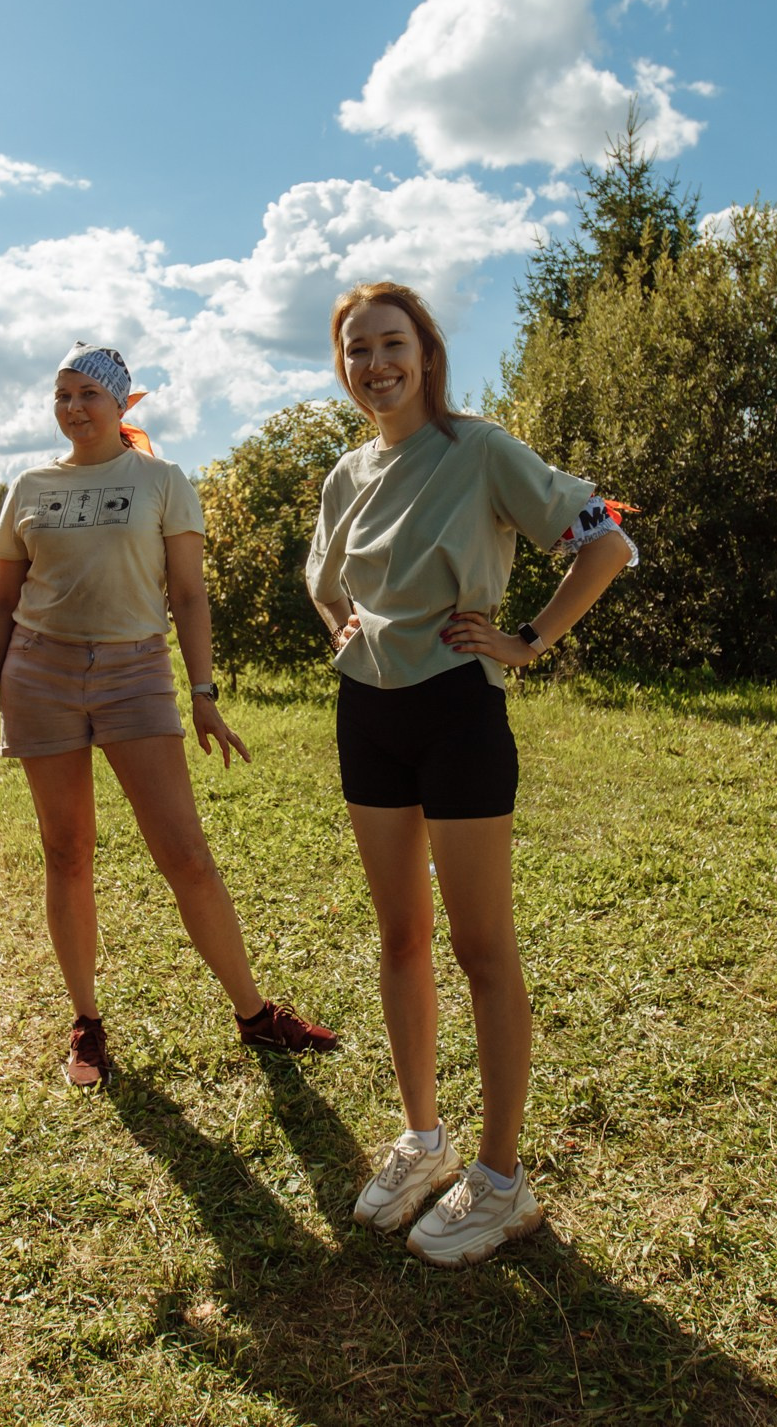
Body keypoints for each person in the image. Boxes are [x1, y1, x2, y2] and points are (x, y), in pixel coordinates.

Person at [307, 282, 637, 1270]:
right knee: (400, 935)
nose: (377, 364)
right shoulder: (346, 469)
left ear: (427, 353)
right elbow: (324, 582)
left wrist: (529, 638)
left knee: (480, 945)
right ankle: (423, 1142)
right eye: (357, 349)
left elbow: (604, 539)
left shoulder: (479, 449)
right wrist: (341, 630)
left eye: (392, 344)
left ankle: (499, 1182)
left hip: (457, 707)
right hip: (365, 713)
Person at [0, 343, 338, 1087]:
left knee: (186, 854)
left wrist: (203, 693)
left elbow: (188, 596)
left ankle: (256, 1014)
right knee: (66, 852)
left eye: (87, 394)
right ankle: (87, 1024)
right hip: (41, 673)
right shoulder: (29, 485)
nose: (72, 408)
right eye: (61, 394)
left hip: (135, 672)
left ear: (122, 404)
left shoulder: (161, 480)